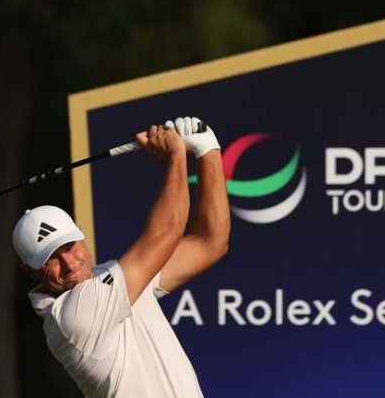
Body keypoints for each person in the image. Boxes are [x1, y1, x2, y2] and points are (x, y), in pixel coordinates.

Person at [13, 116, 229, 397]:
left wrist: (207, 150)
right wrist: (176, 155)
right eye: (51, 259)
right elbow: (167, 231)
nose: (69, 264)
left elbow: (209, 243)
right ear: (30, 271)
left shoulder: (112, 279)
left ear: (81, 233)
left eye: (69, 246)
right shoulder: (71, 316)